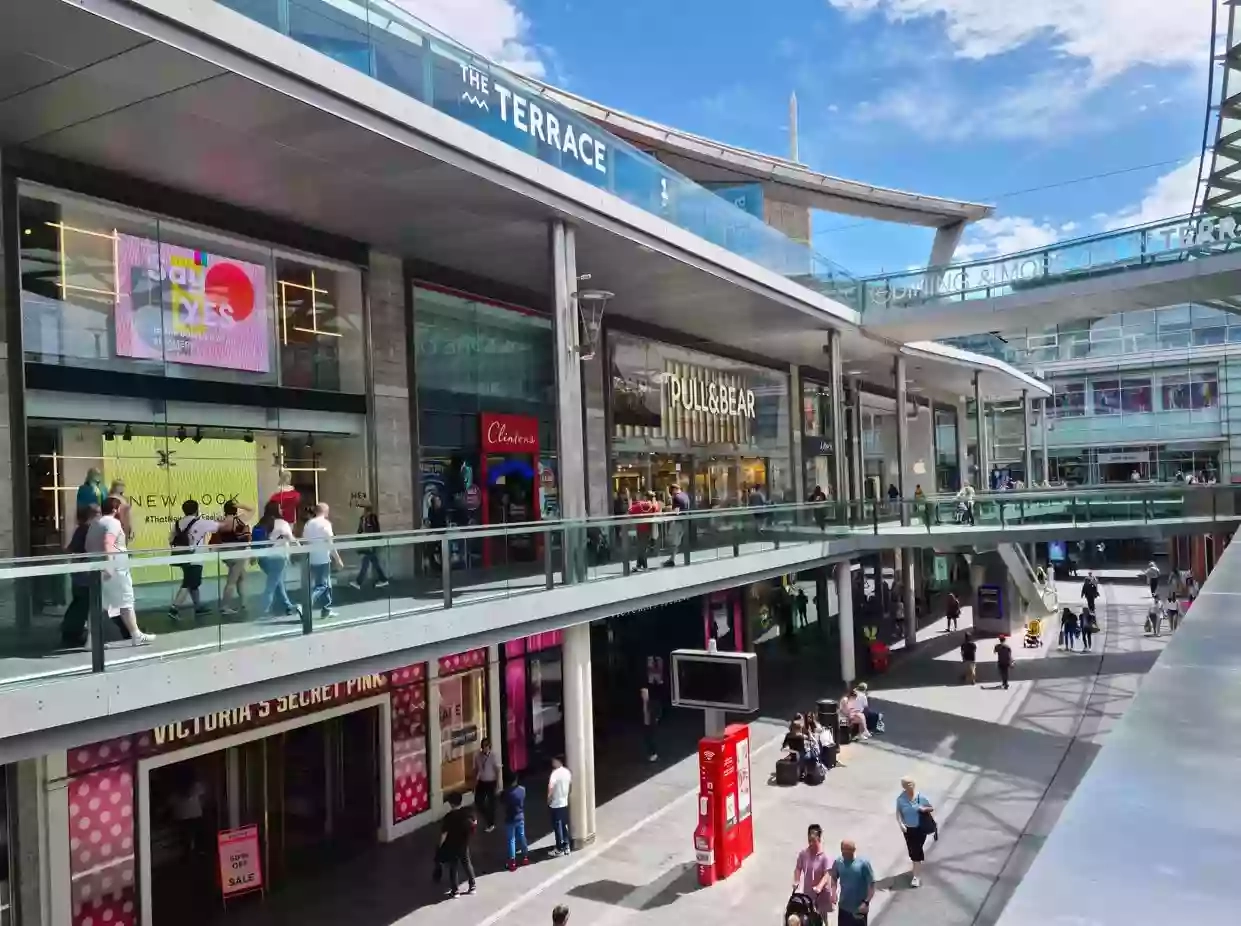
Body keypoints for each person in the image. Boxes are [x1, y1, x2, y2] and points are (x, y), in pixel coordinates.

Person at [87, 496, 154, 645]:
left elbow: (89, 546)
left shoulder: (95, 523)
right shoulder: (113, 523)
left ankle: (91, 639)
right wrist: (109, 565)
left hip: (97, 568)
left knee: (99, 603)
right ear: (115, 509)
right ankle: (136, 634)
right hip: (115, 569)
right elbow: (108, 542)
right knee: (126, 601)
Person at [168, 499, 220, 621]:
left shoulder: (178, 523)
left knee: (192, 583)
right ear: (197, 509)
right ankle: (174, 608)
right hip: (195, 557)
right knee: (188, 583)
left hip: (181, 556)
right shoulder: (200, 522)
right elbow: (219, 527)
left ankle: (198, 606)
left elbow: (170, 540)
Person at [252, 501, 301, 618]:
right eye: (280, 508)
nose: (281, 510)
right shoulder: (282, 523)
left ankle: (288, 606)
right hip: (278, 558)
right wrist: (301, 548)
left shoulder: (262, 522)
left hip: (263, 559)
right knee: (271, 586)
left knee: (278, 584)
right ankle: (263, 611)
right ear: (276, 510)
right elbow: (291, 538)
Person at [61, 505, 100, 647]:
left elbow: (70, 548)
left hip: (80, 571)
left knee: (79, 602)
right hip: (85, 572)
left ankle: (71, 632)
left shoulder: (82, 529)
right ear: (94, 514)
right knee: (83, 603)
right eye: (99, 513)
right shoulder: (87, 529)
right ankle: (72, 633)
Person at [212, 499, 254, 615]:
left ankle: (244, 602)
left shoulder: (220, 521)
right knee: (232, 580)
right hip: (237, 553)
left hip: (225, 552)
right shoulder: (238, 520)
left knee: (241, 576)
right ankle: (224, 606)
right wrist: (240, 504)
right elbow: (252, 510)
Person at [302, 503, 343, 619]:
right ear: (325, 511)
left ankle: (326, 609)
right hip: (323, 558)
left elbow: (305, 541)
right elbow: (330, 542)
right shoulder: (325, 524)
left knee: (327, 584)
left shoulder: (309, 524)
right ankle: (306, 604)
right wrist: (338, 559)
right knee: (322, 585)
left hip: (312, 557)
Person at [791, 824, 834, 922]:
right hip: (809, 892)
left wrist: (819, 886)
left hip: (821, 893)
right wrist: (796, 881)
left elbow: (827, 874)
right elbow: (798, 868)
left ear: (819, 839)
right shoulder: (804, 854)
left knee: (822, 916)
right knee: (809, 915)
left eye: (813, 841)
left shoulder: (824, 857)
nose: (810, 844)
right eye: (809, 840)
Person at [896, 777, 934, 887]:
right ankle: (916, 871)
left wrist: (923, 809)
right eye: (907, 784)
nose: (910, 786)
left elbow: (931, 808)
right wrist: (901, 824)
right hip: (908, 829)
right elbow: (898, 814)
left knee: (917, 849)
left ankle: (916, 871)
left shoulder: (920, 797)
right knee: (914, 851)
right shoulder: (901, 799)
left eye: (911, 783)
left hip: (920, 828)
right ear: (903, 786)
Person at [437, 792, 476, 897]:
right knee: (467, 864)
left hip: (452, 845)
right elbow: (474, 823)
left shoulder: (449, 817)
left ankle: (455, 891)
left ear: (450, 804)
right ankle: (472, 886)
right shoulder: (467, 812)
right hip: (464, 844)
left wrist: (440, 845)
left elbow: (444, 834)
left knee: (453, 867)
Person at [829, 839, 875, 926]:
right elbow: (834, 877)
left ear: (853, 850)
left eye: (846, 851)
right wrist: (833, 893)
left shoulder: (863, 864)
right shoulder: (839, 862)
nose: (843, 853)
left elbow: (871, 884)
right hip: (843, 907)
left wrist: (866, 902)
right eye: (842, 849)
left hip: (859, 909)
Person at [351, 506, 390, 589]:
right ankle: (383, 579)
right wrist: (357, 541)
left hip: (371, 544)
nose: (363, 513)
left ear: (368, 512)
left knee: (366, 562)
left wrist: (376, 542)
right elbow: (359, 531)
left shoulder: (373, 518)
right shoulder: (362, 519)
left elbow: (376, 530)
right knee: (374, 562)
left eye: (365, 511)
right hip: (365, 544)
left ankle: (359, 582)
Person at [502, 771, 529, 870]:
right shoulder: (522, 790)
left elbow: (502, 802)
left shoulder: (506, 793)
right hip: (520, 816)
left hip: (510, 818)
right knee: (521, 836)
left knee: (511, 840)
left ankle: (512, 861)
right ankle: (525, 857)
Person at [627, 491, 660, 571]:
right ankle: (639, 565)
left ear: (645, 497)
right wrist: (654, 500)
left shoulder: (639, 504)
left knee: (641, 548)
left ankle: (645, 566)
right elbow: (657, 509)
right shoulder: (652, 506)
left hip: (640, 528)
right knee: (643, 547)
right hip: (648, 529)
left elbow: (630, 511)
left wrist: (629, 502)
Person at [473, 738, 500, 832]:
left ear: (489, 746)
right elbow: (476, 769)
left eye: (486, 746)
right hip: (481, 781)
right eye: (483, 746)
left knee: (491, 803)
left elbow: (497, 770)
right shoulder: (477, 756)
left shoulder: (493, 756)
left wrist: (498, 783)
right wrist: (475, 782)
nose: (485, 748)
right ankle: (487, 817)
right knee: (478, 802)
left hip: (491, 781)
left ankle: (491, 823)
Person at [547, 755, 572, 857]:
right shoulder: (567, 772)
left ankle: (559, 848)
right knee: (564, 825)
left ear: (558, 761)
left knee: (557, 827)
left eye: (554, 760)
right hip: (564, 802)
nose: (552, 762)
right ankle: (566, 846)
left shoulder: (555, 773)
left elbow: (551, 787)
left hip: (556, 804)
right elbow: (570, 786)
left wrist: (549, 799)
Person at [662, 483, 690, 567]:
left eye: (671, 492)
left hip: (678, 522)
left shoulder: (677, 498)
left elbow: (676, 512)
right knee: (676, 541)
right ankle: (672, 559)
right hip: (685, 521)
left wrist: (667, 512)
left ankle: (672, 559)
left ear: (674, 490)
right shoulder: (685, 495)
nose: (672, 494)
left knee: (671, 540)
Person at [640, 685, 659, 762]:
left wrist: (657, 718)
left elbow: (658, 710)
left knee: (651, 739)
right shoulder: (641, 704)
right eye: (642, 694)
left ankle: (654, 754)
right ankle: (650, 753)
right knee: (647, 739)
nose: (643, 695)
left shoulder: (652, 702)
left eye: (645, 694)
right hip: (645, 724)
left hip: (651, 724)